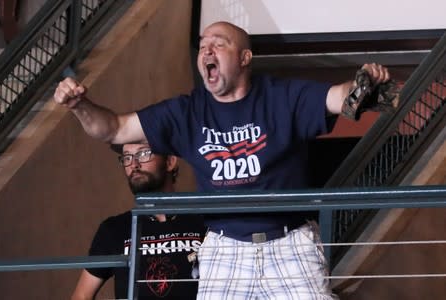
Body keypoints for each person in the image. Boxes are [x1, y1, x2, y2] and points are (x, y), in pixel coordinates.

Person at [56, 21, 393, 299]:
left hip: (290, 243)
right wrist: (79, 107)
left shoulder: (282, 96)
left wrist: (363, 84)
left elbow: (338, 97)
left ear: (245, 57)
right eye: (203, 45)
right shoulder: (187, 112)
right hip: (225, 247)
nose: (207, 50)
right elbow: (113, 128)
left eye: (219, 43)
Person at [71, 142, 206, 300]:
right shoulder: (114, 229)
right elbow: (82, 295)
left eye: (143, 153)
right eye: (127, 157)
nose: (134, 164)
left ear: (170, 161)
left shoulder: (207, 220)